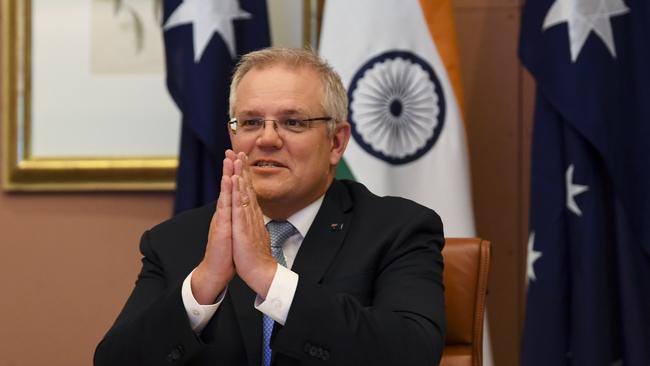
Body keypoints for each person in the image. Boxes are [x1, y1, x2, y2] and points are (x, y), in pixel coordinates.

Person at [94, 47, 445, 366]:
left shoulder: (398, 229)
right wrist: (205, 283)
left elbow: (412, 353)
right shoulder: (174, 241)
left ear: (336, 142)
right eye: (249, 122)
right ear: (233, 136)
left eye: (293, 122)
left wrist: (269, 277)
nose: (267, 139)